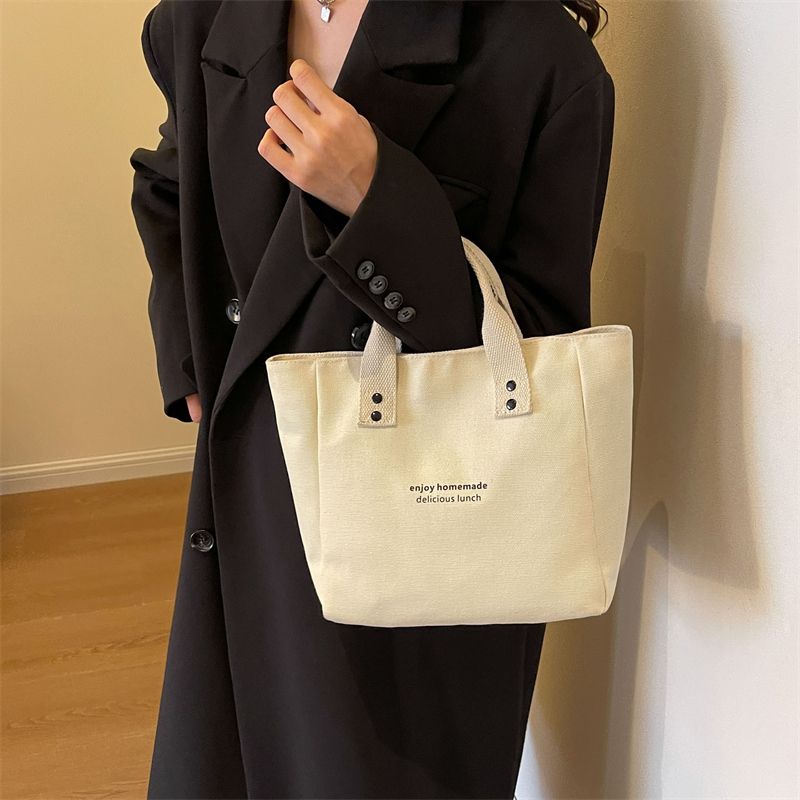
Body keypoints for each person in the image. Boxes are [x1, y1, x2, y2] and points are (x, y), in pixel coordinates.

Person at [129, 0, 615, 797]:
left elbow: (538, 344)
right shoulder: (204, 17)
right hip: (250, 498)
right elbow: (169, 185)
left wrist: (376, 199)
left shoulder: (538, 56)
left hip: (424, 528)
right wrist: (190, 365)